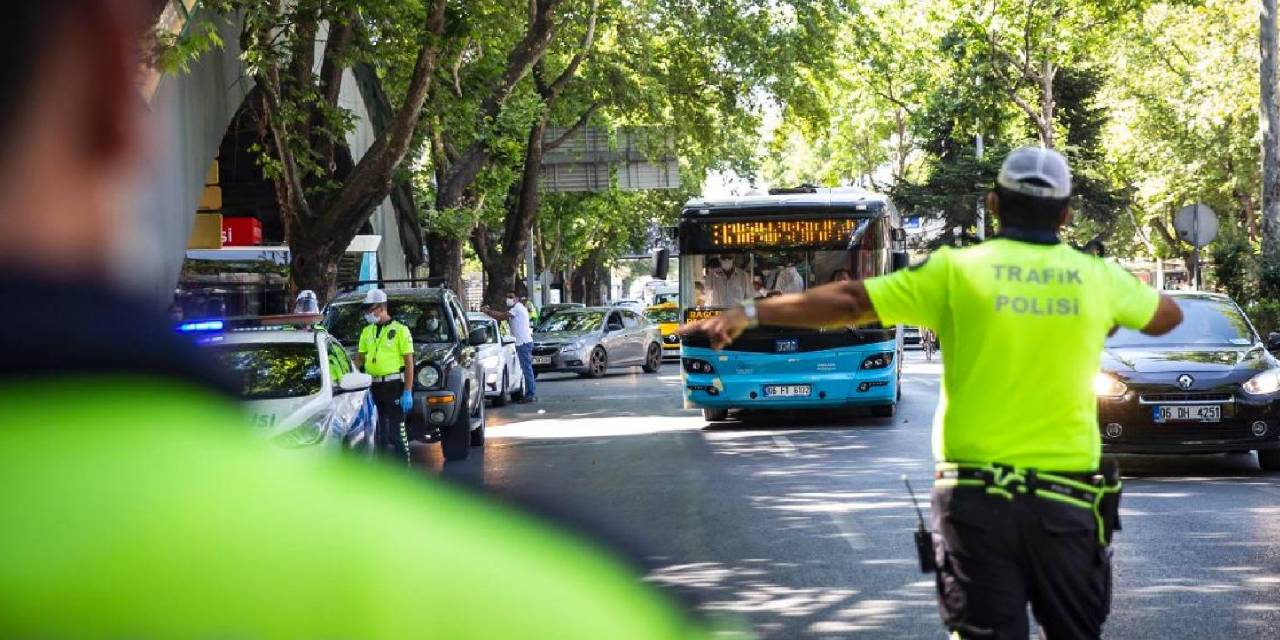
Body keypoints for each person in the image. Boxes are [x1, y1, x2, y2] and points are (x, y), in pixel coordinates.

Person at [0, 2, 714, 637]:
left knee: (397, 435)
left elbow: (401, 355)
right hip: (369, 399)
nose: (375, 309)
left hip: (387, 388)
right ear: (109, 85)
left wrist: (402, 379)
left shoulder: (397, 333)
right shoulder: (559, 601)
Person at [683, 147, 1183, 640]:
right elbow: (1166, 315)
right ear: (1067, 212)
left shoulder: (955, 271)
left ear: (993, 203)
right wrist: (1101, 316)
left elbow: (852, 300)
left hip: (975, 504)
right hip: (1067, 501)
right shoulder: (1095, 278)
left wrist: (750, 313)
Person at [354, 289, 414, 462]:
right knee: (377, 433)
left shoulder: (401, 330)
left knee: (397, 433)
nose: (367, 313)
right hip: (372, 386)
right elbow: (360, 359)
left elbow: (409, 363)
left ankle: (404, 469)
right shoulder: (367, 331)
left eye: (369, 309)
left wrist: (407, 391)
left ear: (381, 308)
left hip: (393, 386)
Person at [482, 291, 536, 403]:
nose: (508, 299)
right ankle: (530, 393)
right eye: (507, 297)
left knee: (526, 370)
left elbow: (502, 316)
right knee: (526, 369)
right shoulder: (516, 308)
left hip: (523, 343)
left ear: (517, 299)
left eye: (511, 297)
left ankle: (530, 395)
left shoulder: (517, 308)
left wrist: (487, 312)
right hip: (523, 343)